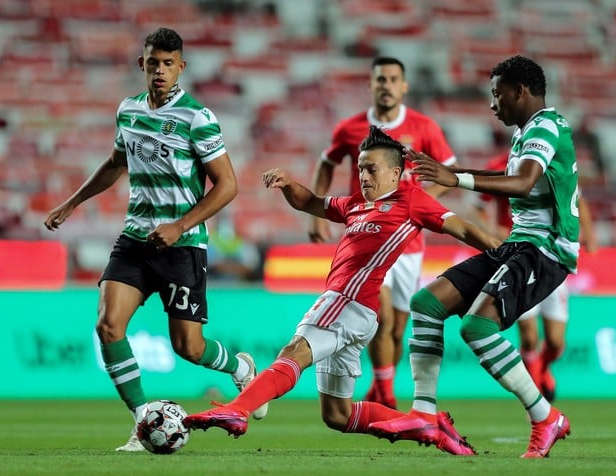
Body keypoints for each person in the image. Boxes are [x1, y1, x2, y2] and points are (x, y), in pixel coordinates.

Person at [183, 126, 500, 456]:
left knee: (294, 351)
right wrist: (289, 184)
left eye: (371, 169)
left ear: (396, 172)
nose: (363, 175)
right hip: (357, 312)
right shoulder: (356, 205)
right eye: (360, 168)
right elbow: (311, 202)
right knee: (338, 415)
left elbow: (461, 227)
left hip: (347, 301)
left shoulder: (411, 199)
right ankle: (432, 428)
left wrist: (503, 252)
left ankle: (237, 410)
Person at [43, 28, 267, 452]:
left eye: (168, 63)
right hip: (136, 239)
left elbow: (227, 185)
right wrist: (71, 203)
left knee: (188, 346)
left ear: (181, 66)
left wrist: (180, 226)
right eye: (153, 62)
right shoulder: (127, 111)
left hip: (182, 245)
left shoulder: (198, 117)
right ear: (141, 65)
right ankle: (143, 421)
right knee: (108, 325)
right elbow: (115, 164)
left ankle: (239, 365)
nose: (160, 70)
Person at [367, 55, 579, 458]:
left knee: (477, 328)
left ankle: (545, 417)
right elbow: (510, 176)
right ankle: (424, 413)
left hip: (546, 250)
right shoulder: (527, 132)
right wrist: (455, 173)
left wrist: (457, 178)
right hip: (519, 244)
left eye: (498, 94)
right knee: (426, 304)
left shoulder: (548, 126)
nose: (492, 103)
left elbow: (524, 181)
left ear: (521, 91)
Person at [308, 56, 457, 409]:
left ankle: (380, 383)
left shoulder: (424, 126)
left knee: (395, 328)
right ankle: (386, 393)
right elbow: (326, 162)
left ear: (403, 86)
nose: (386, 85)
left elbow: (447, 172)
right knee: (382, 313)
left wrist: (419, 206)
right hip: (369, 235)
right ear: (371, 85)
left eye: (393, 79)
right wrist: (316, 215)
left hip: (409, 242)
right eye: (380, 79)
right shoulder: (350, 128)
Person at [474, 152, 598, 402]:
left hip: (552, 257)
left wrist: (588, 231)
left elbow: (578, 200)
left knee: (554, 342)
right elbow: (479, 206)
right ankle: (536, 394)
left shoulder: (557, 162)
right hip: (517, 256)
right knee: (529, 335)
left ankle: (543, 367)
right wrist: (492, 229)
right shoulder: (498, 165)